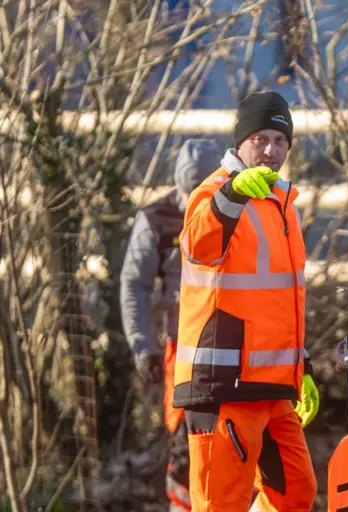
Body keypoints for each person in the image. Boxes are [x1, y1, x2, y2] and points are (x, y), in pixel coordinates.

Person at [173, 90, 319, 512]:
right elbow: (197, 246)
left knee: (295, 494)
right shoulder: (214, 191)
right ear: (240, 143)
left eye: (280, 141)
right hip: (223, 385)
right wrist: (232, 195)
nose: (271, 151)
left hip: (273, 386)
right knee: (221, 503)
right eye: (261, 140)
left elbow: (281, 300)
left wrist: (303, 366)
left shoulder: (283, 204)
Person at [121, 138, 222, 512]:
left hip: (238, 347)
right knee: (183, 441)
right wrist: (142, 345)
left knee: (237, 443)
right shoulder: (156, 220)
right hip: (183, 350)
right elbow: (134, 283)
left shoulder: (243, 210)